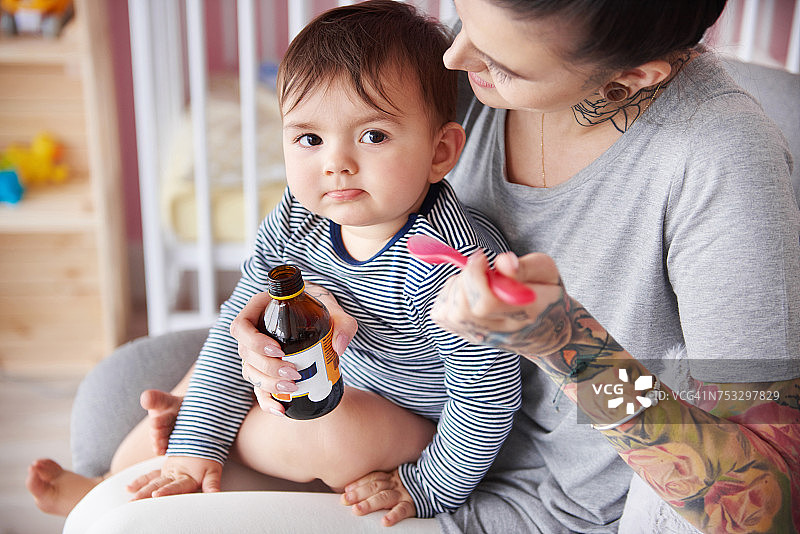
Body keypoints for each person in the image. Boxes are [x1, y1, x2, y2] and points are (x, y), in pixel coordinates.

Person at [37, 0, 800, 532]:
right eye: (466, 16)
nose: (458, 55)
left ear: (631, 78)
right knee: (127, 490)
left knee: (121, 521)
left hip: (525, 503)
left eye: (499, 60)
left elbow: (764, 498)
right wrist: (254, 344)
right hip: (381, 407)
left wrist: (565, 339)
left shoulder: (720, 165)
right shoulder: (446, 84)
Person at [27, 0, 523, 527]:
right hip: (325, 379)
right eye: (310, 139)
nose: (336, 162)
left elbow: (485, 399)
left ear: (440, 152)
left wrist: (427, 487)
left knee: (306, 428)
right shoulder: (296, 217)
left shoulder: (450, 259)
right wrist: (198, 440)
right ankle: (119, 484)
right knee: (205, 376)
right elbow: (240, 320)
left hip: (415, 427)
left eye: (372, 135)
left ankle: (189, 463)